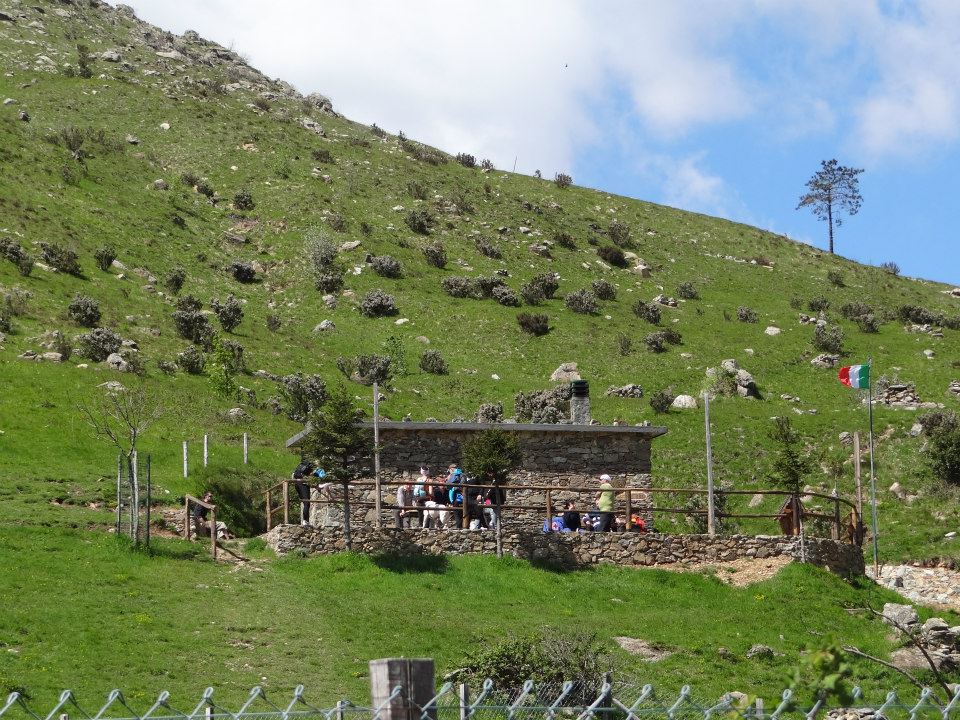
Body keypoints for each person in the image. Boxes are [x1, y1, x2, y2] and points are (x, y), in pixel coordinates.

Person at [292, 459, 316, 525]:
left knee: (305, 502)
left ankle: (305, 521)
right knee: (307, 503)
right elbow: (315, 475)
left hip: (297, 484)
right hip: (303, 485)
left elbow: (293, 475)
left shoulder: (301, 465)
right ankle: (305, 521)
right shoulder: (311, 467)